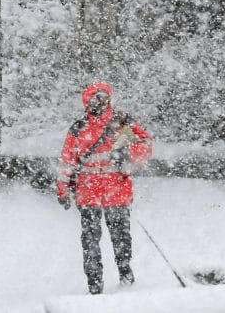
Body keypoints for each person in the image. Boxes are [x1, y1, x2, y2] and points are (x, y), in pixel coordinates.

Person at [56, 82, 152, 294]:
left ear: (108, 98)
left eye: (102, 97)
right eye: (94, 98)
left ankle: (126, 277)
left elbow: (145, 144)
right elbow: (67, 162)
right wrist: (63, 189)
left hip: (117, 191)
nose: (98, 102)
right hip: (88, 194)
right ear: (86, 101)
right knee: (90, 242)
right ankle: (94, 285)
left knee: (121, 239)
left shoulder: (121, 124)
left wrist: (127, 153)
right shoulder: (79, 129)